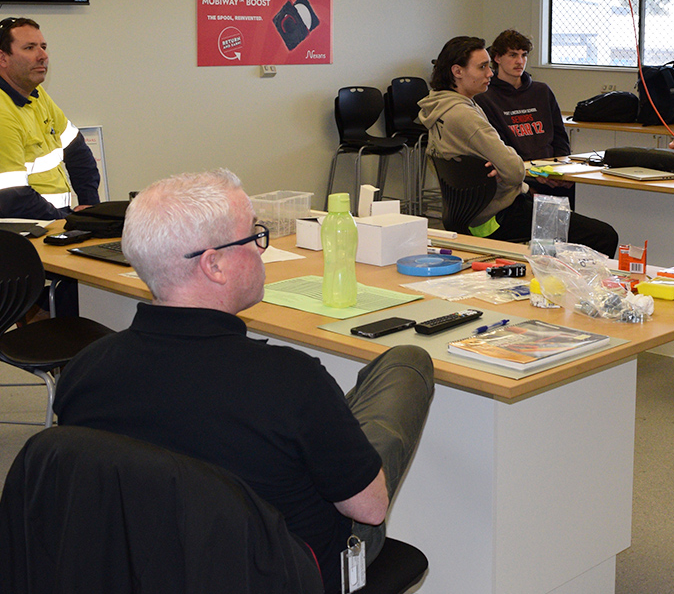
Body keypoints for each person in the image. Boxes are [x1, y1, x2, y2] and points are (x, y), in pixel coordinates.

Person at [53, 169, 434, 593]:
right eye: (253, 237)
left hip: (148, 571)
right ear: (213, 264)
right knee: (407, 362)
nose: (260, 249)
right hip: (286, 576)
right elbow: (370, 511)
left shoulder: (84, 371)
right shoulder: (291, 380)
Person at [419, 36, 619, 257]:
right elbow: (514, 171)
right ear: (457, 71)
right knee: (604, 235)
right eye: (482, 67)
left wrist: (493, 171)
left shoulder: (439, 107)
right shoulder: (464, 114)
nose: (490, 73)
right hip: (498, 216)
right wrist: (499, 172)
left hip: (475, 213)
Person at [0, 16, 100, 225]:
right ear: (2, 58)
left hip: (49, 224)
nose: (43, 56)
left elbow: (78, 152)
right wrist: (72, 222)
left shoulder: (35, 94)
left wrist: (90, 207)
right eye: (29, 48)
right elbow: (15, 200)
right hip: (7, 234)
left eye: (43, 47)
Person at [474, 28, 577, 206]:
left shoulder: (542, 91)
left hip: (552, 171)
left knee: (589, 195)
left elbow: (560, 139)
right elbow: (501, 150)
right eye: (513, 55)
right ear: (497, 58)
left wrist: (561, 170)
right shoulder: (485, 97)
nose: (519, 61)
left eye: (524, 55)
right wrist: (535, 174)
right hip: (521, 176)